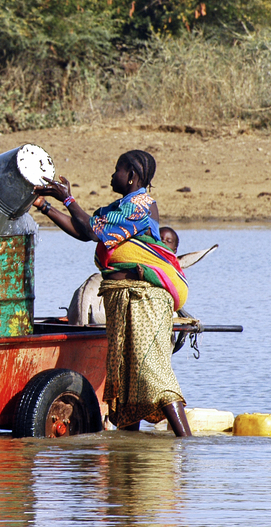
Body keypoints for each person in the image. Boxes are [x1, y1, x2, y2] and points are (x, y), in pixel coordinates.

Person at [33, 150, 193, 436]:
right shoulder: (118, 208)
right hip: (121, 298)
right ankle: (127, 447)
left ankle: (185, 443)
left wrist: (68, 199)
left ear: (131, 175)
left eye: (116, 169)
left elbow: (94, 231)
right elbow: (84, 231)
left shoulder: (142, 204)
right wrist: (44, 205)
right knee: (125, 380)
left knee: (153, 372)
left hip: (144, 297)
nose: (111, 175)